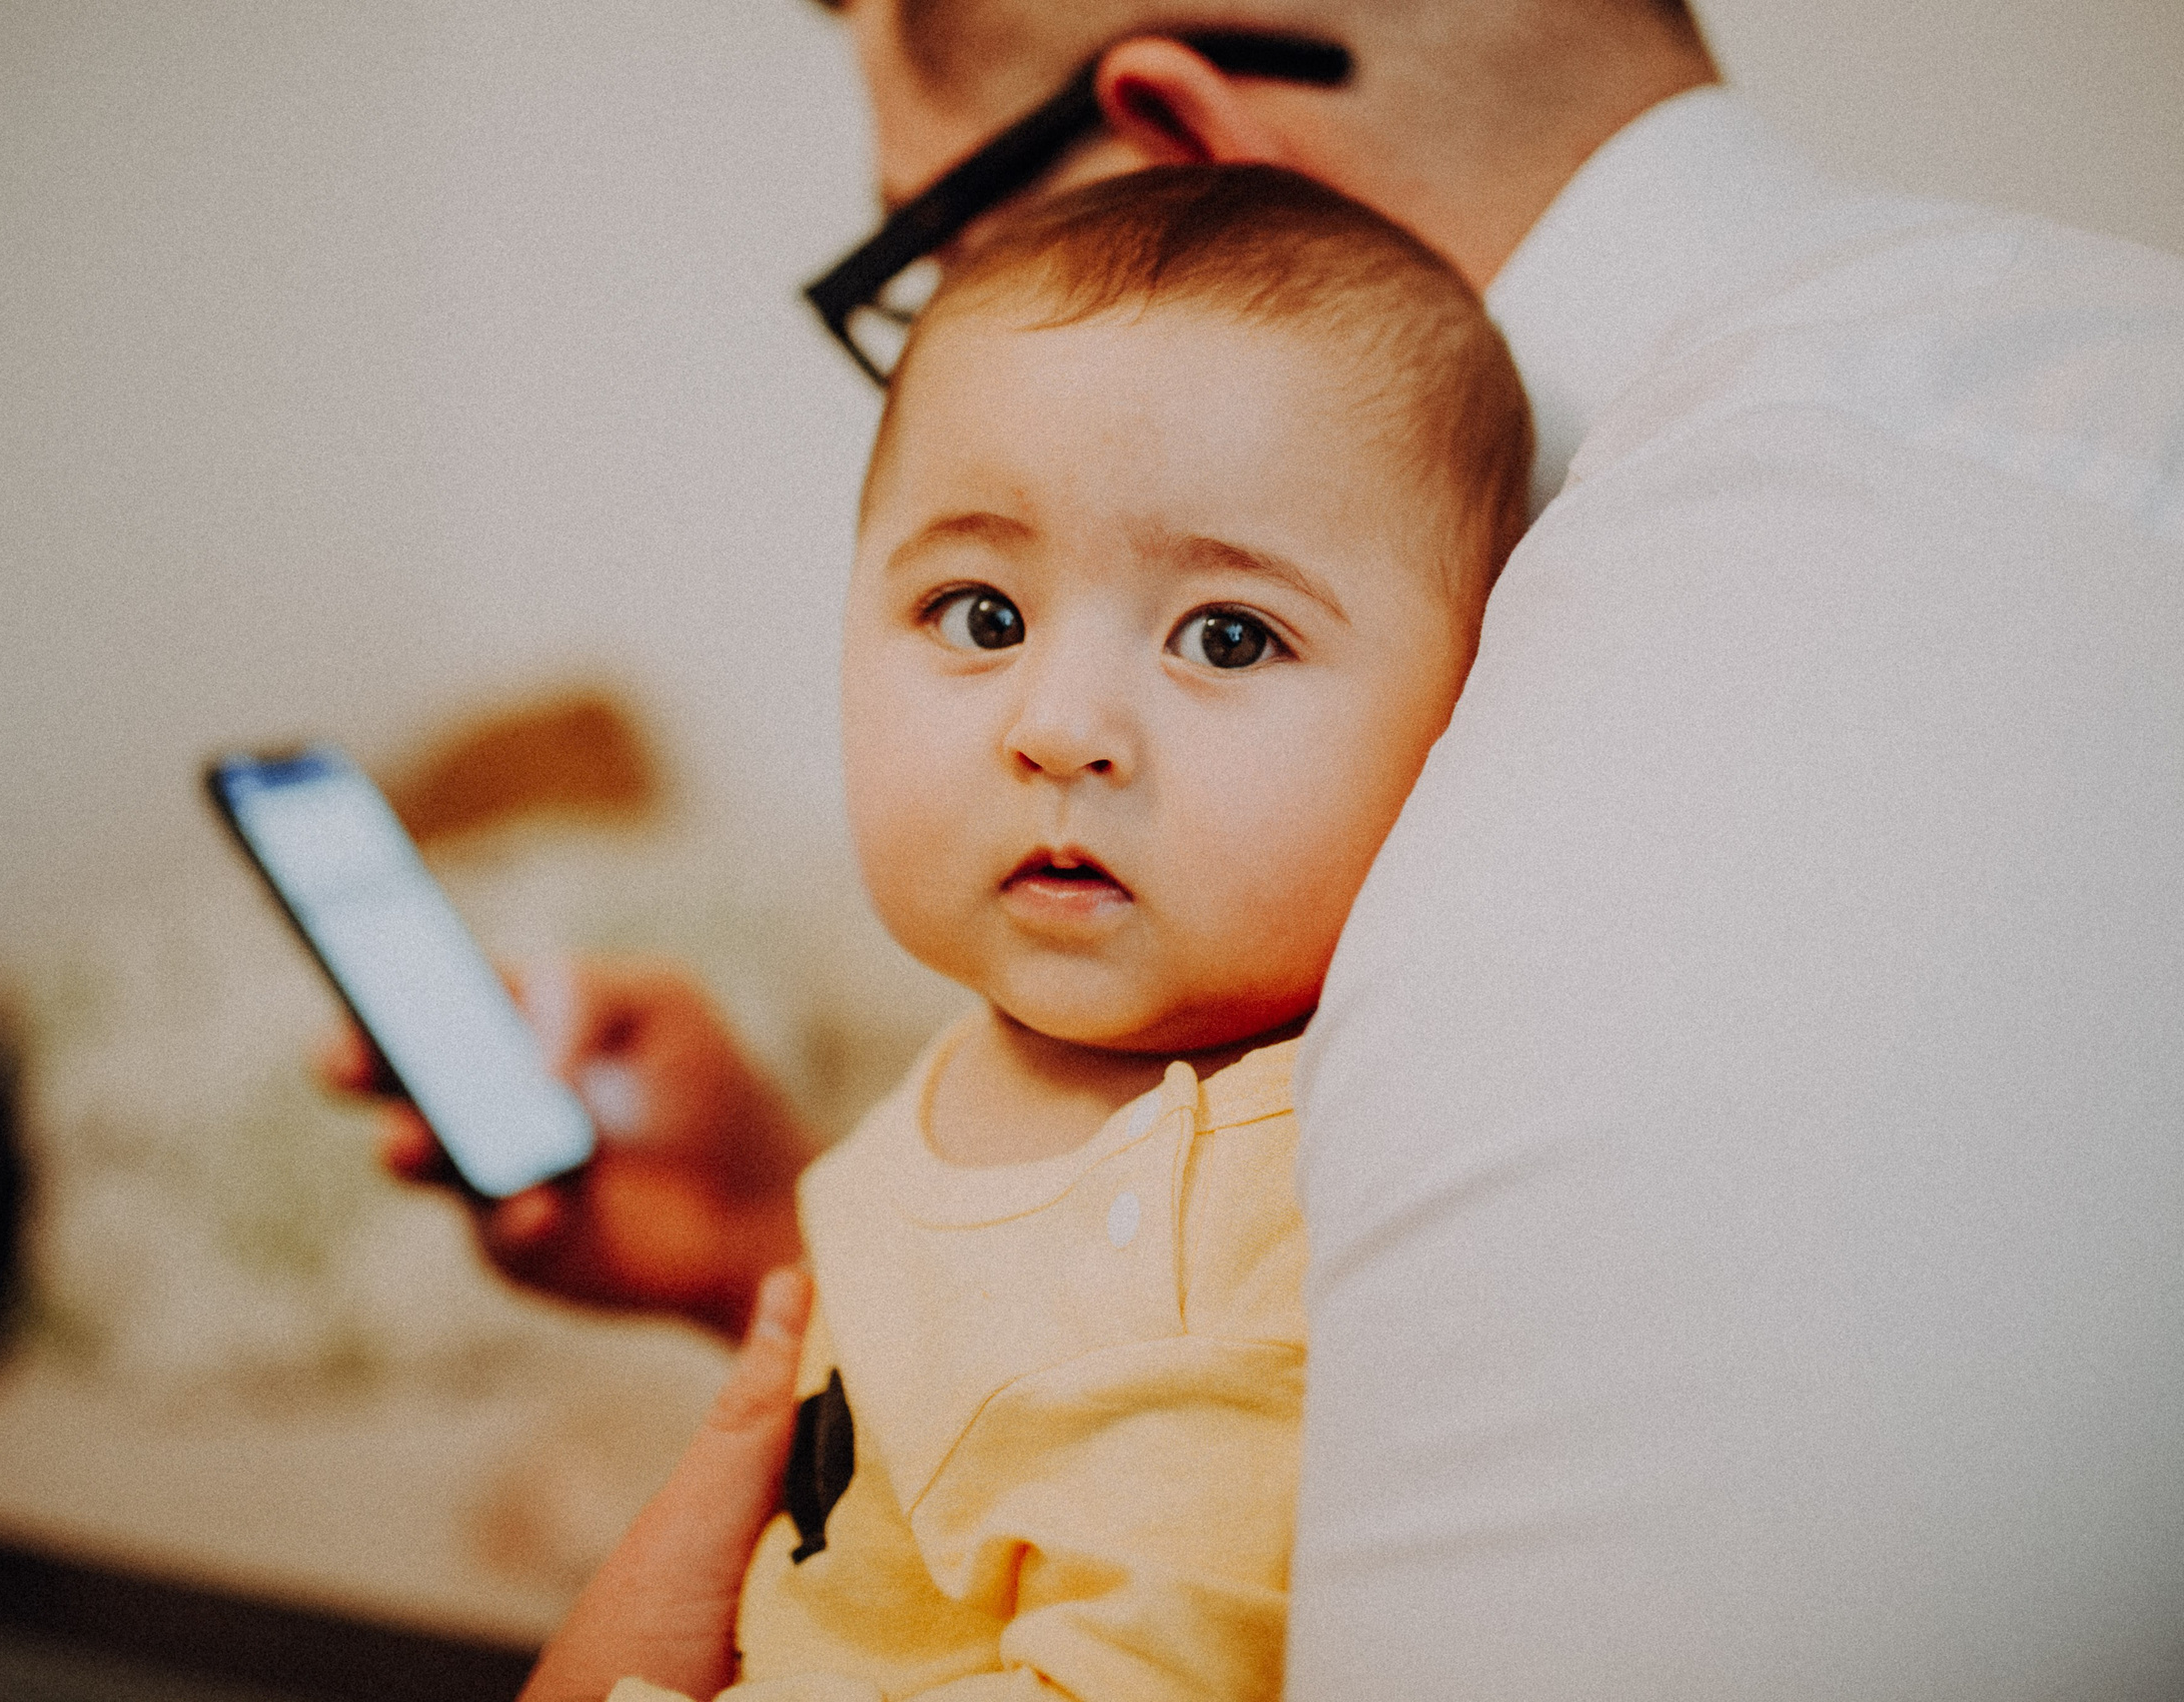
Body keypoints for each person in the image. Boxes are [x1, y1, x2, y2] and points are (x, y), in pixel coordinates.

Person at [337, 0, 2184, 1693]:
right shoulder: (1958, 434)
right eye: (979, 607)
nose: (1057, 725)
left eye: (926, 261)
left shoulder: (1743, 654)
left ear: (1186, 168)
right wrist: (782, 1240)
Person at [616, 163, 1523, 1698]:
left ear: (1469, 714)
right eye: (981, 613)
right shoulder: (1008, 1058)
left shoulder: (1237, 1203)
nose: (1061, 727)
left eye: (1228, 635)